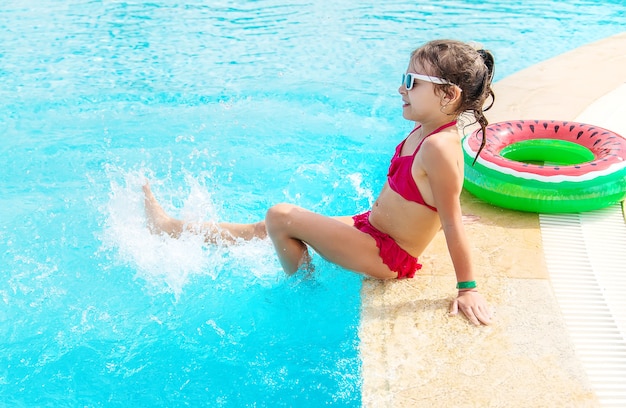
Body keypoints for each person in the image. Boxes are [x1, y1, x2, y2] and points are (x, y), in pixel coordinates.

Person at [143, 39, 495, 326]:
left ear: (448, 95)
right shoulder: (426, 130)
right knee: (264, 227)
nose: (400, 89)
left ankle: (303, 296)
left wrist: (467, 288)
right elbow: (432, 201)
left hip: (389, 256)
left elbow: (450, 222)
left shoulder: (439, 147)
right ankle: (171, 228)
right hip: (371, 230)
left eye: (411, 83)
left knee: (281, 216)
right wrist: (436, 216)